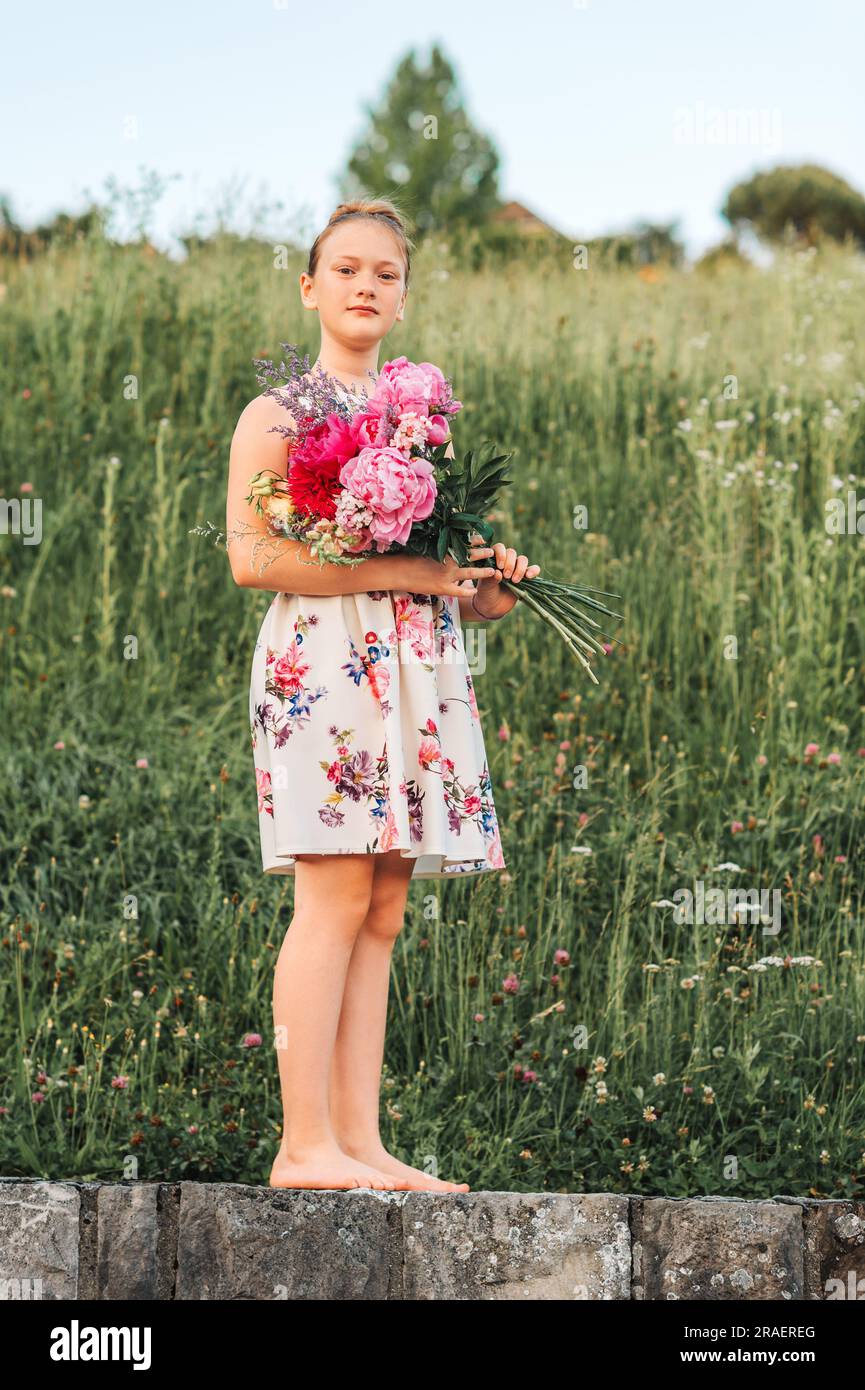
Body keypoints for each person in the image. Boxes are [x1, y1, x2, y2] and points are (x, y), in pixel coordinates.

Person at [225, 197, 540, 1193]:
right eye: (347, 268)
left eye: (386, 274)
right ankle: (300, 1143)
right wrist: (398, 576)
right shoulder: (278, 414)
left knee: (385, 904)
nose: (366, 285)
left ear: (402, 299)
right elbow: (251, 558)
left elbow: (435, 571)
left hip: (414, 666)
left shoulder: (423, 425)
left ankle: (357, 1142)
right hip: (323, 666)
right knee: (332, 894)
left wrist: (485, 587)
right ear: (311, 286)